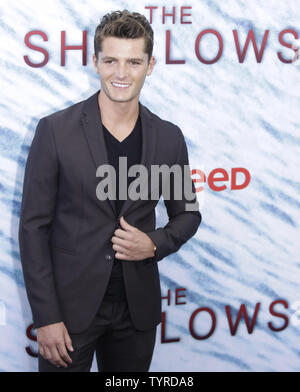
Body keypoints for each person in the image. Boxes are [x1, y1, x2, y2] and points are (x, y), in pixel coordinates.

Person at [18, 9, 202, 372]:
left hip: (137, 312)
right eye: (111, 60)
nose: (121, 73)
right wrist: (46, 317)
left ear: (150, 65)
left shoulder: (168, 137)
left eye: (134, 61)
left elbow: (188, 215)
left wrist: (154, 243)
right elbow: (33, 229)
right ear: (95, 62)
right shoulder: (55, 131)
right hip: (68, 314)